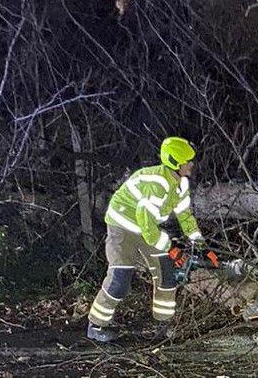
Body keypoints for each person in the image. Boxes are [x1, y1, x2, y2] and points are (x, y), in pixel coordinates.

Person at [87, 136, 210, 342]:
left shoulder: (181, 184)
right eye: (187, 161)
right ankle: (96, 326)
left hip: (147, 228)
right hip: (123, 226)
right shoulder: (157, 184)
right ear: (175, 163)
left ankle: (164, 325)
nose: (191, 164)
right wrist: (170, 247)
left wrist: (199, 243)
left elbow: (185, 215)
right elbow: (146, 224)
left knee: (167, 273)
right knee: (120, 277)